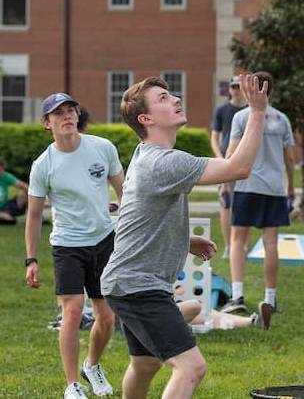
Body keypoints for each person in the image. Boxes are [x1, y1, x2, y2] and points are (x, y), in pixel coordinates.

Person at [99, 74, 269, 399]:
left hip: (127, 282)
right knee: (191, 368)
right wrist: (257, 111)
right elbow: (238, 168)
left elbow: (141, 213)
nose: (175, 99)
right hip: (138, 285)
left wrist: (185, 239)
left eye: (171, 94)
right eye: (162, 98)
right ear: (145, 119)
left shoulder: (143, 154)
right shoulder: (164, 163)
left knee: (145, 364)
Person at [24, 93, 125, 399]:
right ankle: (72, 385)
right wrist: (31, 259)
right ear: (47, 123)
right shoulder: (43, 165)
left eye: (71, 110)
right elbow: (34, 215)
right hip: (68, 244)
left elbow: (126, 193)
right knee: (72, 311)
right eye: (59, 113)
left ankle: (92, 365)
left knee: (107, 317)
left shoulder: (102, 148)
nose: (67, 116)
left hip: (104, 239)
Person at [221, 71, 295, 318]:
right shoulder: (282, 119)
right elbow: (290, 158)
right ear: (270, 90)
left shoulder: (242, 117)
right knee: (271, 244)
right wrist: (291, 187)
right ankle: (270, 299)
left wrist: (223, 183)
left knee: (237, 242)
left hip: (246, 186)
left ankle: (237, 295)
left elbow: (231, 154)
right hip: (274, 189)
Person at [210, 76, 247, 259]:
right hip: (227, 163)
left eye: (239, 86)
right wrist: (221, 159)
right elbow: (215, 137)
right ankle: (228, 246)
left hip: (246, 164)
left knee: (244, 203)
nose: (236, 90)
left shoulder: (251, 111)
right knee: (226, 204)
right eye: (233, 86)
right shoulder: (222, 110)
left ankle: (243, 245)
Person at [0, 156, 29, 224]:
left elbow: (25, 187)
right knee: (7, 218)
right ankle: (7, 218)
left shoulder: (5, 176)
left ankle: (35, 217)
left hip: (5, 206)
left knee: (26, 194)